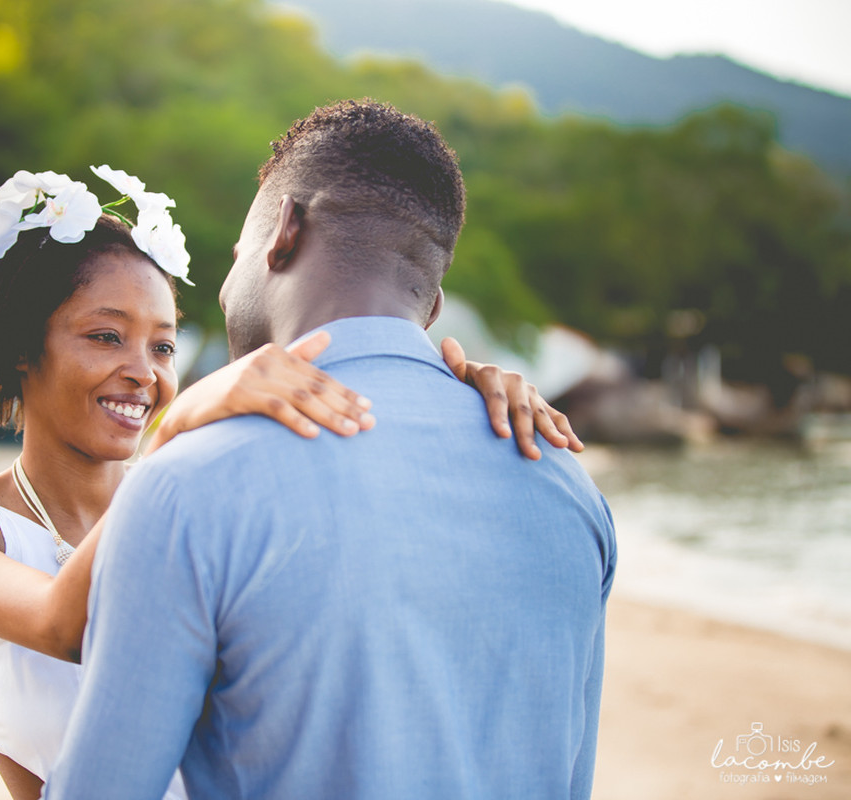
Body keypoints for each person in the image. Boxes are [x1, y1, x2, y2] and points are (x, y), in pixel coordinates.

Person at [0, 164, 580, 800]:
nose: (146, 372)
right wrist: (176, 429)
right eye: (106, 337)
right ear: (21, 347)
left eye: (163, 346)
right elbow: (63, 624)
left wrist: (457, 402)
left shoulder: (210, 503)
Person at [46, 101, 616, 800]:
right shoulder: (567, 485)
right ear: (432, 307)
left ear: (283, 231)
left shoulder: (187, 485)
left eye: (235, 257)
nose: (226, 289)